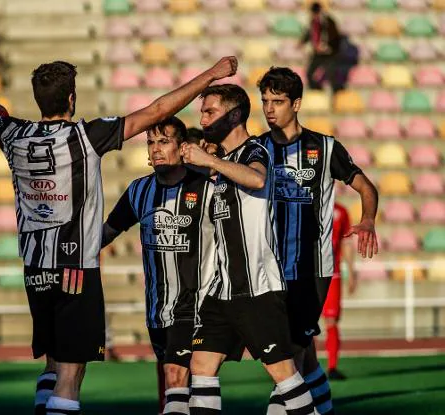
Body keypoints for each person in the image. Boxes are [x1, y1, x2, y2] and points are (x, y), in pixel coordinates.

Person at [0, 44, 238, 415]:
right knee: (70, 372)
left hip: (34, 270)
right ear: (72, 98)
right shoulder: (85, 136)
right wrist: (210, 74)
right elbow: (158, 111)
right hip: (76, 270)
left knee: (52, 362)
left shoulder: (14, 135)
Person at [181, 84, 315, 415]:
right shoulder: (221, 162)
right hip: (222, 289)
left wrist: (208, 159)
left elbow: (256, 180)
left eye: (210, 111)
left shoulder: (255, 150)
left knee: (283, 374)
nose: (204, 118)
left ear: (236, 114)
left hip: (257, 288)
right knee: (200, 366)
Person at [257, 67, 378, 415]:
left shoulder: (324, 148)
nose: (269, 109)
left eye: (277, 102)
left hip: (311, 269)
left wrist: (367, 219)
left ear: (296, 104)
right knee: (303, 357)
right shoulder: (256, 149)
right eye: (265, 101)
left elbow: (366, 187)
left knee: (286, 360)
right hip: (268, 270)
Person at [103, 116, 216, 415]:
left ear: (182, 148)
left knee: (175, 379)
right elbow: (107, 232)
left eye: (163, 142)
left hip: (194, 306)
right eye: (151, 142)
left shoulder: (206, 190)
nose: (155, 149)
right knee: (185, 386)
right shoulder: (139, 191)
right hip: (156, 310)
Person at [323, 202, 356, 380]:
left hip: (332, 274)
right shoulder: (304, 203)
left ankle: (332, 367)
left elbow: (346, 242)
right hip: (306, 275)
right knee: (304, 323)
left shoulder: (340, 211)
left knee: (331, 320)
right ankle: (300, 368)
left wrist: (351, 272)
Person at [300, 2, 341, 91]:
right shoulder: (313, 22)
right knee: (309, 73)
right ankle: (317, 91)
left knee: (331, 74)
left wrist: (327, 47)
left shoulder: (329, 22)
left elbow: (335, 37)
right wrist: (302, 42)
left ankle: (336, 93)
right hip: (318, 53)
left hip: (330, 53)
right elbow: (310, 33)